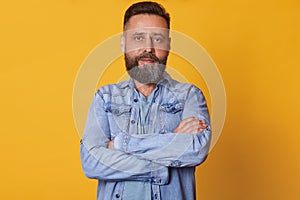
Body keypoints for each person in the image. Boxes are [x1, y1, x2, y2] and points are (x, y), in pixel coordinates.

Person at [80, 1, 212, 200]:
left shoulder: (189, 96)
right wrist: (169, 144)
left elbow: (195, 150)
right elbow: (91, 162)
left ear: (168, 45)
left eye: (157, 39)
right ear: (124, 44)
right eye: (138, 38)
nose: (148, 48)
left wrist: (120, 145)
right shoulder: (105, 97)